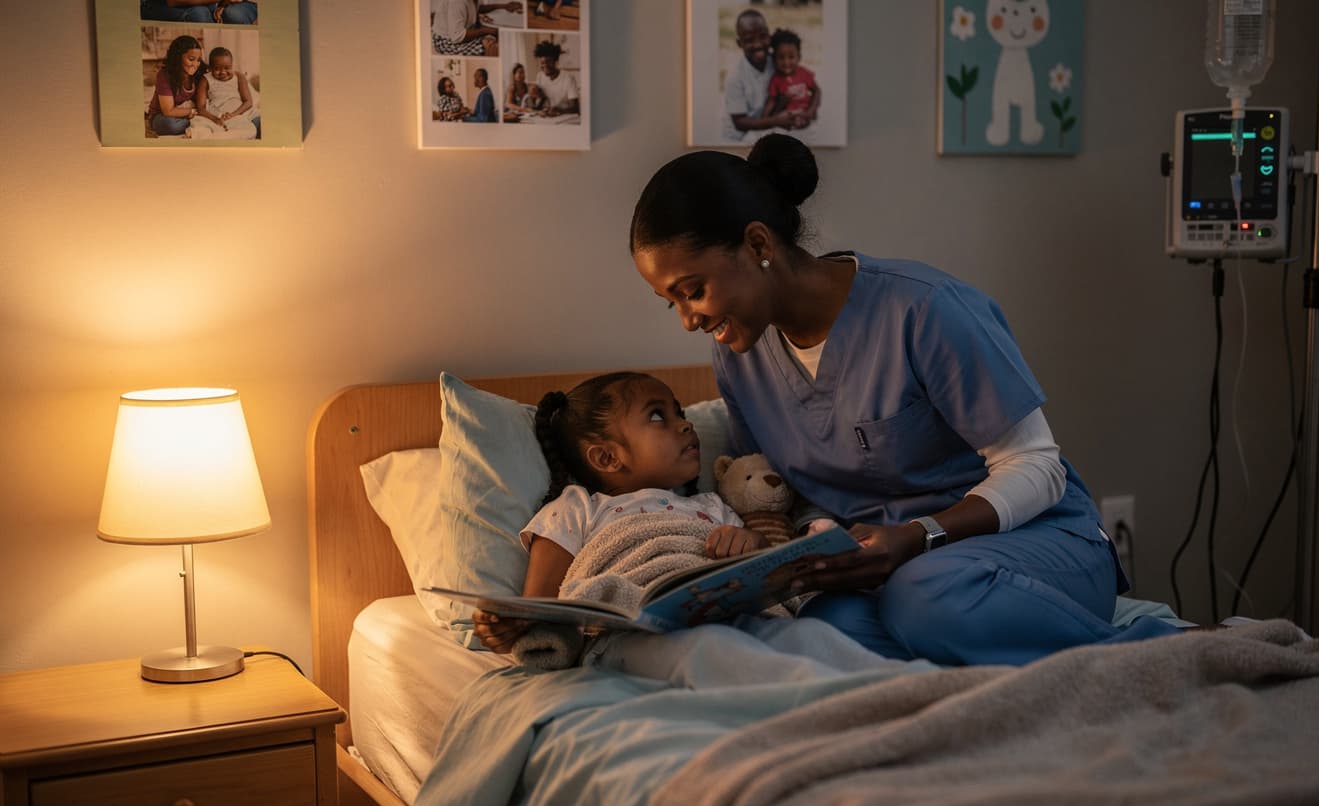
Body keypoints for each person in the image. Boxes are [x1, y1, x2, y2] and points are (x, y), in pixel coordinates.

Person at [623, 134, 1182, 667]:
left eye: (692, 292)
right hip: (888, 571)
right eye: (669, 303)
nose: (689, 319)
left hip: (1023, 543)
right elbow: (784, 492)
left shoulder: (924, 310)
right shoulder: (739, 356)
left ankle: (1159, 649)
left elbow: (1038, 467)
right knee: (822, 631)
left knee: (927, 598)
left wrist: (917, 537)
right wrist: (815, 547)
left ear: (758, 244)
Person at [472, 372, 767, 653]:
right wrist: (509, 627)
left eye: (679, 413)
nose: (684, 424)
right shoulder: (577, 508)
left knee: (800, 636)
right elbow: (539, 608)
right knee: (710, 652)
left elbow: (766, 570)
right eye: (657, 416)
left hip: (723, 617)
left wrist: (748, 542)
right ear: (607, 457)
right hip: (634, 633)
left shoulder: (712, 505)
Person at [721, 8, 794, 144]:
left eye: (763, 36)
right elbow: (740, 123)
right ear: (739, 43)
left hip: (765, 129)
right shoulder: (735, 76)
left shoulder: (777, 63)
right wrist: (776, 121)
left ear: (769, 36)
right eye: (749, 40)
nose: (758, 44)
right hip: (738, 138)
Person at [186, 47, 257, 140]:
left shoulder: (239, 76)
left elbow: (248, 102)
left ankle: (219, 136)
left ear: (232, 65)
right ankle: (215, 134)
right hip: (214, 115)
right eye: (217, 69)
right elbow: (200, 107)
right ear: (210, 68)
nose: (223, 72)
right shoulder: (206, 79)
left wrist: (233, 115)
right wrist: (215, 119)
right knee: (199, 123)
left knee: (250, 130)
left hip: (235, 114)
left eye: (227, 68)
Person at [146, 35, 206, 137]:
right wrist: (193, 112)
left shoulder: (199, 74)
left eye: (198, 60)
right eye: (191, 59)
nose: (195, 64)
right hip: (162, 116)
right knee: (171, 126)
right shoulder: (164, 75)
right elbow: (168, 111)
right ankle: (198, 123)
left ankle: (196, 123)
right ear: (178, 57)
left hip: (188, 115)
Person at [764, 28, 820, 130]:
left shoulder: (804, 73)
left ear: (799, 57)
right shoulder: (776, 79)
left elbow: (816, 91)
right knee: (780, 119)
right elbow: (771, 100)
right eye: (781, 57)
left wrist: (811, 110)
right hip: (787, 113)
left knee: (802, 120)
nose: (786, 62)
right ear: (774, 59)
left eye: (791, 57)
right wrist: (765, 118)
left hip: (804, 110)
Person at [430, 0, 521, 55]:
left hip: (460, 32)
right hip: (445, 40)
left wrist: (504, 6)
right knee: (487, 45)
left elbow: (478, 8)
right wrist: (486, 31)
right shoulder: (457, 2)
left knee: (492, 37)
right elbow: (458, 37)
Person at [532, 40, 579, 117]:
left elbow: (575, 108)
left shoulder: (568, 78)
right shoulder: (539, 76)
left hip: (564, 119)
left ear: (556, 61)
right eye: (542, 63)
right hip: (546, 118)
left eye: (548, 61)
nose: (545, 65)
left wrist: (559, 110)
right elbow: (537, 106)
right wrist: (537, 96)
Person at [140, 0, 257, 24]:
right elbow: (173, 1)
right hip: (155, 5)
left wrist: (224, 4)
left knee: (233, 15)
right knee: (200, 14)